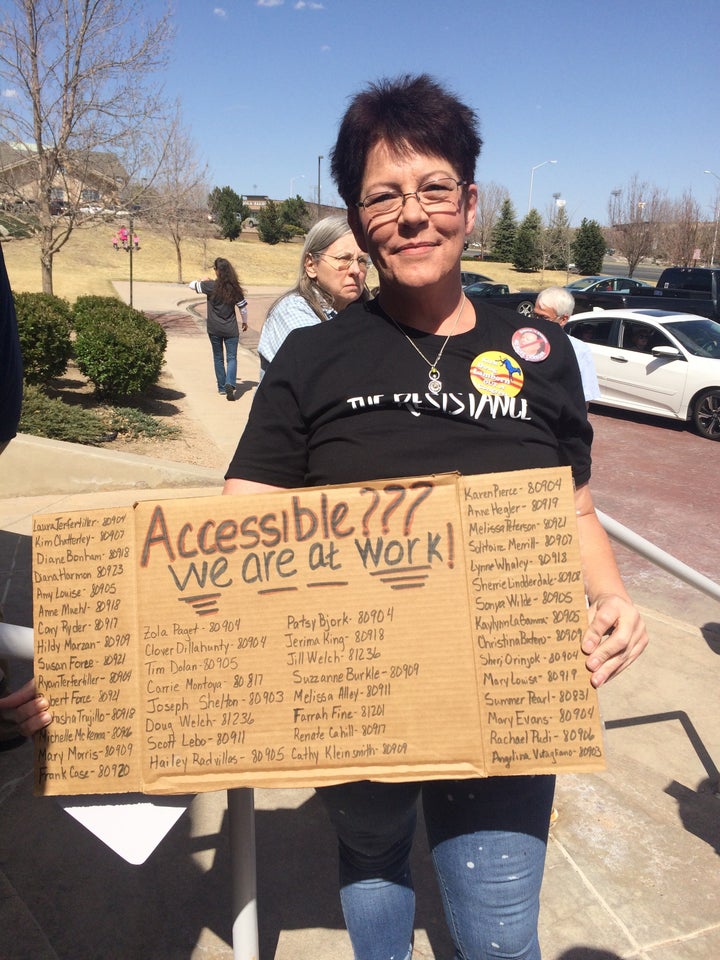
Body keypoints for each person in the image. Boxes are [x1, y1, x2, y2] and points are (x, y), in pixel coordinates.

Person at [223, 74, 648, 960]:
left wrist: (611, 596)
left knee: (497, 939)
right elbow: (237, 536)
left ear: (469, 201)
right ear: (355, 214)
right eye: (383, 195)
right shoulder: (310, 357)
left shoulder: (543, 350)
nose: (411, 215)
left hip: (511, 698)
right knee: (374, 853)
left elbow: (574, 509)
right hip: (354, 697)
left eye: (433, 189)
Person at [257, 215, 370, 378]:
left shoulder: (367, 313)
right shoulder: (292, 311)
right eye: (343, 259)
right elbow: (332, 375)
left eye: (362, 261)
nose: (356, 270)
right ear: (311, 265)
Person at [189, 257, 248, 401]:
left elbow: (191, 285)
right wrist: (245, 322)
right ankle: (230, 383)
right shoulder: (234, 288)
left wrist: (202, 280)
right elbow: (243, 308)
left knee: (218, 357)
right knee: (232, 357)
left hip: (214, 328)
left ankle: (222, 387)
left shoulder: (210, 286)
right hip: (230, 329)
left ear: (217, 271)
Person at [534, 286, 600, 406]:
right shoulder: (522, 341)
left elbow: (584, 398)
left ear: (563, 319)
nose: (537, 322)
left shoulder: (579, 350)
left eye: (544, 318)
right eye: (535, 315)